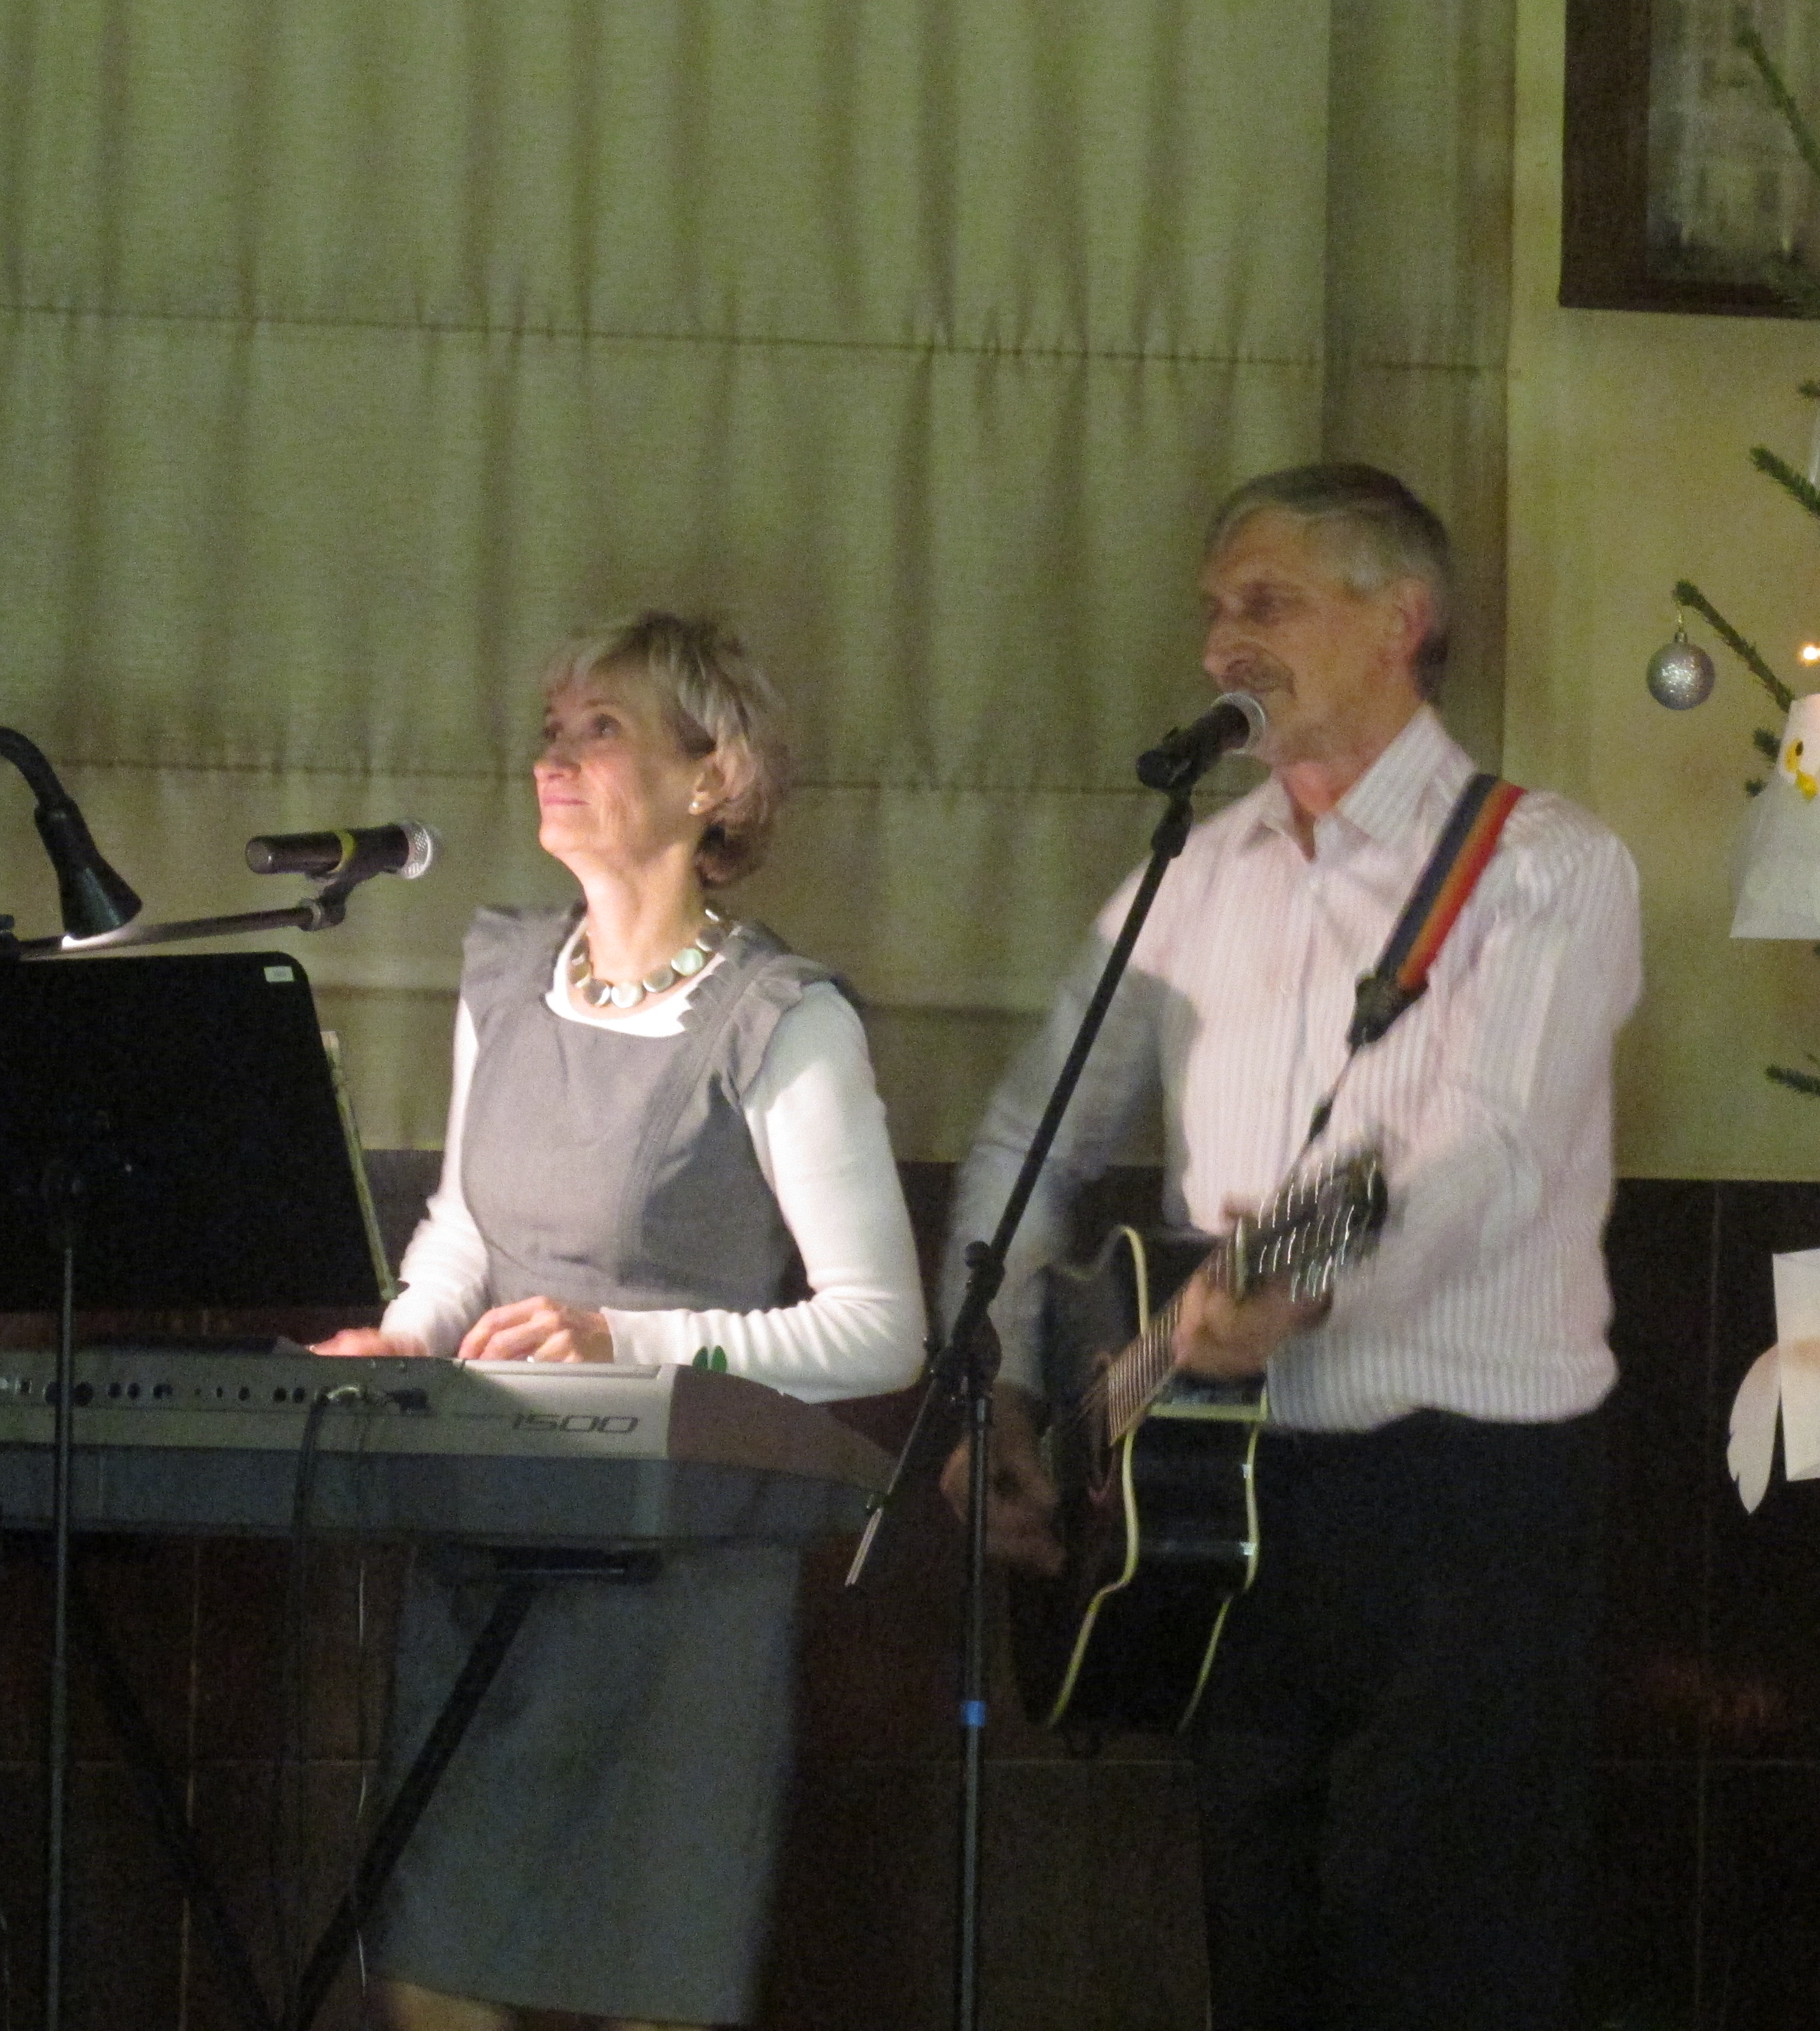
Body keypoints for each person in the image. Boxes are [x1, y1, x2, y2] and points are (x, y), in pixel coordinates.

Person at [941, 464, 1641, 2029]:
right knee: (1260, 1957)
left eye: (1266, 603)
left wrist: (1304, 1286)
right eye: (1212, 613)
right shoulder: (1190, 875)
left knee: (1439, 1968)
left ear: (1403, 620)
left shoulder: (1544, 866)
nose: (1221, 647)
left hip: (1460, 1499)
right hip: (1218, 1490)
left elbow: (1489, 1148)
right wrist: (996, 1391)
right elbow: (1029, 1139)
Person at [317, 611, 926, 2031]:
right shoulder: (505, 974)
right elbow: (466, 1225)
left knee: (651, 1993)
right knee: (430, 1981)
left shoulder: (784, 1020)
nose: (556, 758)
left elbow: (881, 1329)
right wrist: (412, 1332)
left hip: (678, 1589)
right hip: (487, 1545)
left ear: (712, 778)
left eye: (602, 731)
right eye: (554, 730)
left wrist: (623, 1342)